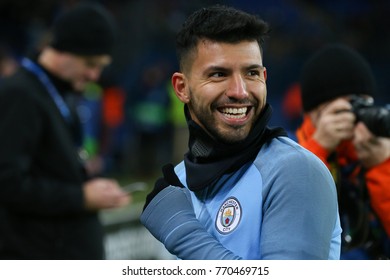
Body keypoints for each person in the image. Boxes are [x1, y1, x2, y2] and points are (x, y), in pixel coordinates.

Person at [140, 5, 341, 260]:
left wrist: (184, 234)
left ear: (264, 78)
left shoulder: (294, 171)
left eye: (252, 73)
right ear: (182, 88)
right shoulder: (179, 182)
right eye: (219, 74)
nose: (240, 91)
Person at [0, 3, 130, 259]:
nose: (95, 75)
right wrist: (80, 197)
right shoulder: (20, 94)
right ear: (65, 50)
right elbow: (7, 183)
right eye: (91, 63)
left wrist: (87, 183)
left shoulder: (55, 91)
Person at [295, 44, 390, 259]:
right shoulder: (285, 152)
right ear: (314, 114)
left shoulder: (378, 154)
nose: (355, 118)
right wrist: (319, 149)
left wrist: (382, 167)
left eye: (363, 106)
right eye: (343, 109)